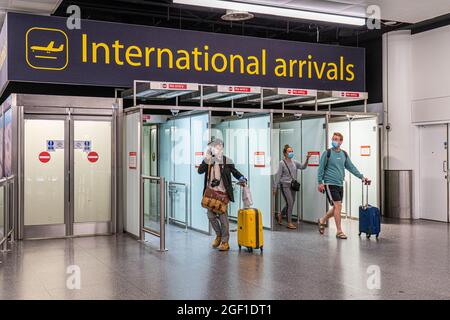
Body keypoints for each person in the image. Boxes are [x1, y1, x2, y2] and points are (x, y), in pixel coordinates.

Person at [317, 132, 369, 239]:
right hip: (329, 183)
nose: (335, 141)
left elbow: (351, 167)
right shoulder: (327, 153)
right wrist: (320, 182)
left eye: (337, 139)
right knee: (338, 206)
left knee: (337, 207)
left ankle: (322, 220)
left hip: (339, 184)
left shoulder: (344, 154)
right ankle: (339, 231)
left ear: (341, 141)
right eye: (333, 139)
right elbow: (320, 168)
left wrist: (362, 177)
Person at [198, 138, 247, 251]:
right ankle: (218, 235)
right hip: (210, 194)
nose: (217, 148)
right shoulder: (209, 160)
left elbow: (235, 172)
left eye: (219, 146)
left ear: (222, 148)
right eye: (215, 147)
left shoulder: (227, 160)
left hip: (222, 194)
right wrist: (206, 159)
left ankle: (225, 242)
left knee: (223, 218)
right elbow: (200, 171)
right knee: (211, 216)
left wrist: (241, 177)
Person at [273, 145, 310, 229]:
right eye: (289, 151)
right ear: (285, 153)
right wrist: (275, 187)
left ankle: (280, 215)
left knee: (291, 203)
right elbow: (278, 176)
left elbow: (303, 167)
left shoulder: (294, 162)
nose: (291, 153)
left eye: (292, 151)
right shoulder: (282, 163)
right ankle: (289, 222)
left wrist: (307, 159)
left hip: (293, 186)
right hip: (284, 185)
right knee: (290, 203)